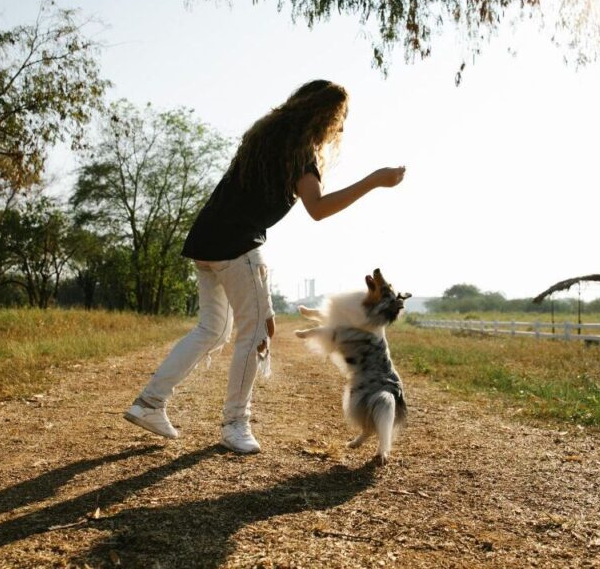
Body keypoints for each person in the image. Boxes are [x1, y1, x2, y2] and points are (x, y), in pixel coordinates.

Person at [123, 79, 406, 453]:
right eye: (340, 119)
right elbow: (318, 209)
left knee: (212, 329)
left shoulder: (265, 138)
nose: (341, 128)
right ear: (324, 115)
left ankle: (149, 403)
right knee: (255, 333)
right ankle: (234, 424)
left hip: (206, 239)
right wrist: (374, 181)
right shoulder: (300, 153)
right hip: (237, 245)